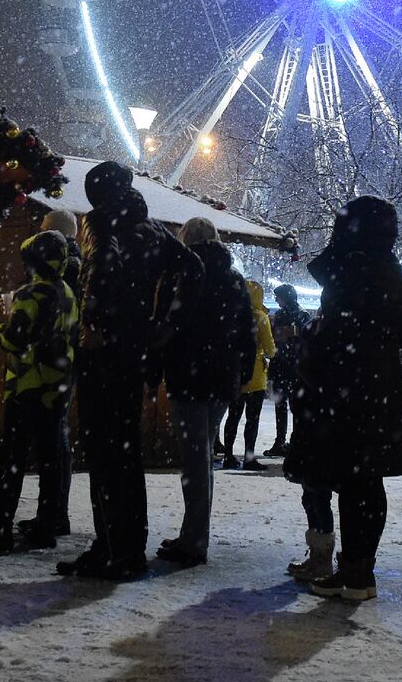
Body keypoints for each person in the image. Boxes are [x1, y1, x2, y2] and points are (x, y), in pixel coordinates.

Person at [60, 164, 196, 581]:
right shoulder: (151, 228)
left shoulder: (101, 221)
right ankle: (127, 547)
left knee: (103, 451)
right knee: (126, 452)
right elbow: (193, 268)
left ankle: (110, 548)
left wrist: (98, 325)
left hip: (105, 353)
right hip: (134, 351)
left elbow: (98, 270)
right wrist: (163, 323)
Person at [284, 196, 402, 603]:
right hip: (373, 389)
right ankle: (358, 569)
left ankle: (356, 573)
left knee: (356, 481)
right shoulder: (387, 269)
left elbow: (342, 332)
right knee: (364, 481)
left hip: (350, 391)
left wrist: (314, 337)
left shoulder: (360, 268)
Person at [0, 230, 78, 552]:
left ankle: (1, 525)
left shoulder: (30, 293)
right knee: (50, 458)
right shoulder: (67, 291)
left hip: (27, 384)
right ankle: (46, 524)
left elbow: (16, 338)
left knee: (13, 458)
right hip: (58, 386)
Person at [156, 217, 248, 566]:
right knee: (202, 456)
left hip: (189, 374)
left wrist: (156, 364)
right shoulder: (233, 279)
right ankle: (194, 533)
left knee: (194, 459)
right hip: (222, 376)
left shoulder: (183, 274)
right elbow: (245, 330)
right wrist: (241, 371)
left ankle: (194, 538)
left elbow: (169, 323)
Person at [20, 208, 83, 541]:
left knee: (52, 439)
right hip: (66, 361)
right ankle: (54, 511)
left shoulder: (59, 269)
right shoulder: (76, 266)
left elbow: (49, 315)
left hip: (52, 363)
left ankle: (52, 514)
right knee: (56, 437)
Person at [221, 279, 277, 471]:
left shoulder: (231, 313)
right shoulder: (261, 317)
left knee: (233, 417)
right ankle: (249, 457)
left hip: (235, 373)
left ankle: (228, 454)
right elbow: (270, 349)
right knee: (252, 419)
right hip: (256, 376)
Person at [263, 284, 308, 458]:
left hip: (290, 367)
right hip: (287, 367)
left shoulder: (300, 315)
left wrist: (287, 333)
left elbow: (302, 338)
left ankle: (292, 441)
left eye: (278, 296)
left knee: (291, 407)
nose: (276, 300)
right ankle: (282, 441)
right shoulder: (284, 314)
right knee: (284, 406)